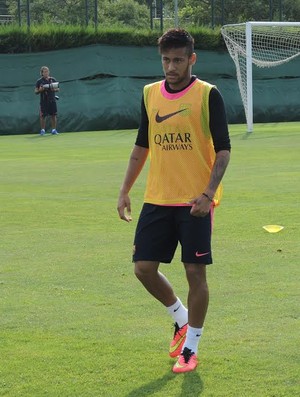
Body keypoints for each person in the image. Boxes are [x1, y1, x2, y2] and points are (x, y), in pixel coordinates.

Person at [117, 28, 231, 373]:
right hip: (157, 198)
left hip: (195, 201)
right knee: (143, 268)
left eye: (178, 60)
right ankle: (180, 318)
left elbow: (224, 150)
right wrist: (124, 190)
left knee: (195, 273)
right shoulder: (150, 94)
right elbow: (142, 145)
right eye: (166, 60)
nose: (171, 67)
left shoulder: (208, 95)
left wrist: (208, 194)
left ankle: (190, 349)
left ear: (191, 59)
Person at [34, 66, 59, 135]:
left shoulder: (53, 79)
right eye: (45, 72)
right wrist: (40, 90)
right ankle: (42, 130)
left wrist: (53, 89)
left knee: (53, 115)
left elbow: (58, 89)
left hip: (52, 100)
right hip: (44, 101)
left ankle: (54, 130)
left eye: (47, 71)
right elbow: (36, 91)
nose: (46, 73)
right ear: (42, 73)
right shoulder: (39, 81)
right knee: (43, 116)